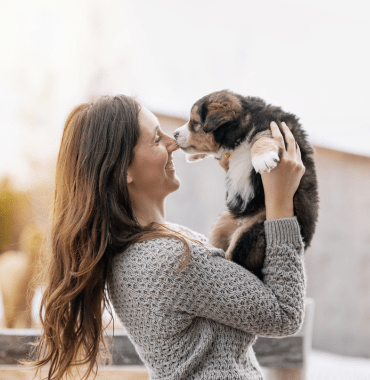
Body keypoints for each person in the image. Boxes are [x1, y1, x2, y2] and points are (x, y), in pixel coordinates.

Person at [24, 94, 306, 380]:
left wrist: (244, 178)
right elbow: (285, 313)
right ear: (123, 171)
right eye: (156, 140)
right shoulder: (171, 259)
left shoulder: (147, 250)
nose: (172, 142)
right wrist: (281, 205)